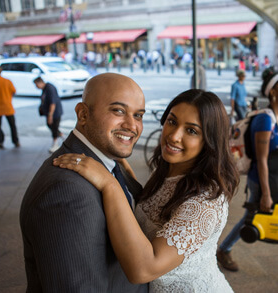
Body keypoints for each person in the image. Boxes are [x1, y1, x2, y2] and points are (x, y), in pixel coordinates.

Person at [54, 89, 240, 292]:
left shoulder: (204, 203)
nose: (174, 136)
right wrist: (123, 176)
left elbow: (143, 270)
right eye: (172, 121)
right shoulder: (171, 172)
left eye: (192, 131)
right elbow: (152, 212)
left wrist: (109, 184)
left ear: (210, 142)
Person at [20, 73, 148, 293]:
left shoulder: (107, 161)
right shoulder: (67, 191)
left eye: (138, 115)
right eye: (118, 110)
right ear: (83, 114)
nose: (132, 125)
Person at [217, 69, 278, 272]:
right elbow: (261, 159)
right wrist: (266, 194)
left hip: (273, 177)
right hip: (261, 179)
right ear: (273, 93)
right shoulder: (265, 120)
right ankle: (224, 249)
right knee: (250, 217)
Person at [33, 77, 63, 153]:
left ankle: (55, 144)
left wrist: (50, 115)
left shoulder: (50, 88)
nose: (36, 87)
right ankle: (60, 135)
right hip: (50, 112)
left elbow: (53, 103)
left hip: (54, 113)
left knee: (54, 127)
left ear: (40, 82)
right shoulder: (45, 89)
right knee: (50, 125)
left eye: (36, 85)